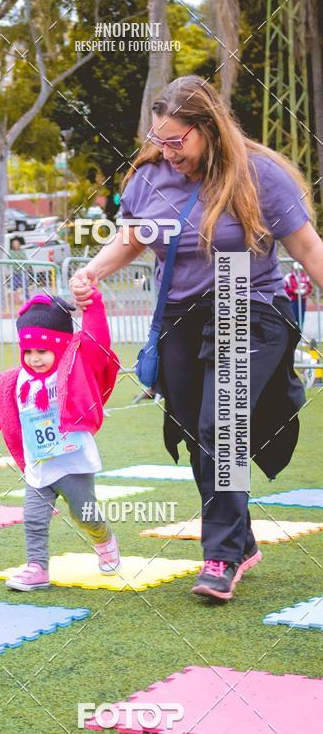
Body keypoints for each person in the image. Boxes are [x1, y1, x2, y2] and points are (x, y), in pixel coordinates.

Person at [70, 75, 323, 602]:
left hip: (245, 301)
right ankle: (240, 541)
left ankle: (221, 556)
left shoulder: (259, 174)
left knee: (220, 426)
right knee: (196, 432)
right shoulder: (150, 178)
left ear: (207, 128)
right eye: (158, 141)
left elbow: (307, 248)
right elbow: (132, 240)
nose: (167, 152)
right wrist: (90, 273)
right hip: (180, 315)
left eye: (176, 141)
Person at [0, 291, 120, 590]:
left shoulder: (74, 371)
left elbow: (97, 343)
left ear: (61, 346)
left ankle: (104, 538)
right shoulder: (18, 380)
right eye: (28, 351)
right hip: (39, 463)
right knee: (33, 517)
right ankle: (37, 568)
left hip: (73, 463)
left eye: (42, 351)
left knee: (84, 515)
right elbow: (7, 405)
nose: (35, 358)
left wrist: (93, 305)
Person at [284, 261, 313, 329]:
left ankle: (300, 332)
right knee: (292, 317)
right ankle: (293, 332)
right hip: (292, 300)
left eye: (299, 269)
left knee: (301, 318)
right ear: (293, 269)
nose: (298, 271)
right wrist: (294, 291)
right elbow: (285, 289)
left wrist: (306, 291)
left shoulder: (305, 277)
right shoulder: (288, 277)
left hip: (302, 300)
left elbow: (309, 287)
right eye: (296, 269)